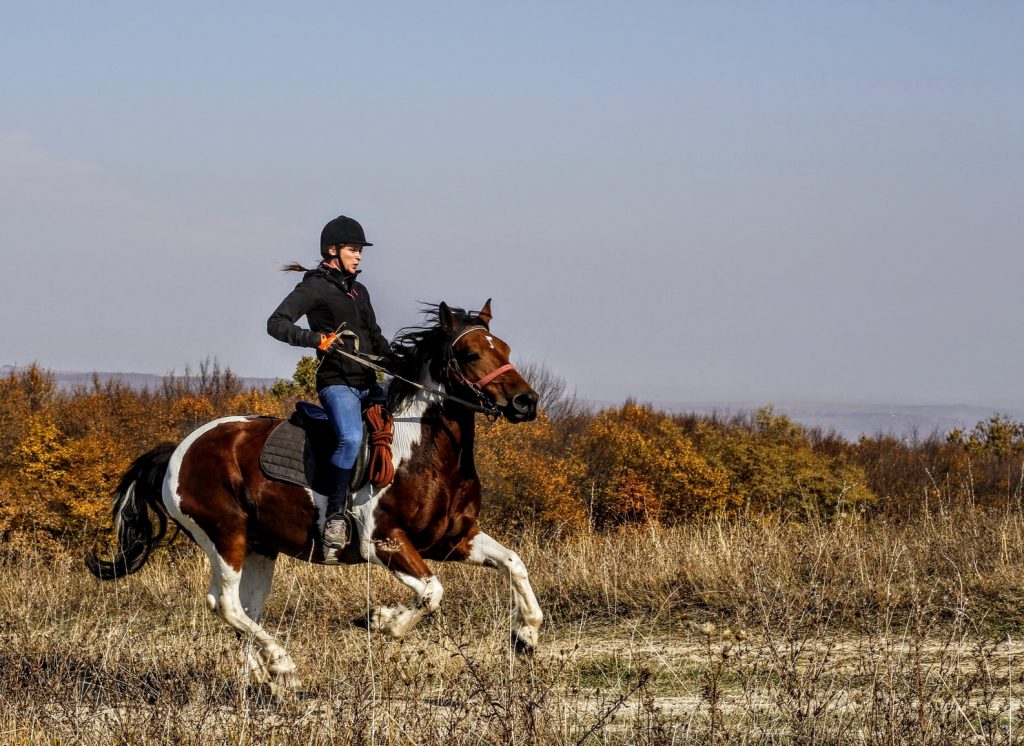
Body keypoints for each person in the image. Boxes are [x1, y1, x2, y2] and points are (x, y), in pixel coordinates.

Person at [267, 215, 392, 548]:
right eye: (354, 249)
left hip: (368, 381)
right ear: (333, 250)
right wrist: (316, 339)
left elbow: (375, 336)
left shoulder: (359, 290)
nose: (359, 256)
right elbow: (276, 324)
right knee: (350, 438)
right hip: (337, 382)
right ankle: (334, 516)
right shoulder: (314, 286)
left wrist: (398, 361)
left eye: (360, 250)